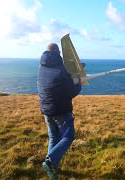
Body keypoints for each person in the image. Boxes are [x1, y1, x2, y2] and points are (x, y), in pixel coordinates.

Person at [37, 43, 82, 179]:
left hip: (46, 110)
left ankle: (52, 169)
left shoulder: (42, 66)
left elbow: (55, 81)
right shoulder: (61, 68)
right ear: (58, 52)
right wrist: (78, 82)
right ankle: (50, 161)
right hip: (60, 110)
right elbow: (71, 92)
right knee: (68, 137)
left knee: (54, 138)